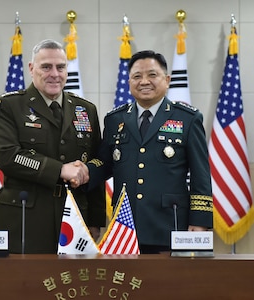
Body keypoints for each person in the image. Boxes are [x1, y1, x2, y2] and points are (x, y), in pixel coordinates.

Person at [84, 50, 213, 254]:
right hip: (126, 227)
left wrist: (200, 220)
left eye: (152, 75)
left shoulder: (188, 118)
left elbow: (200, 173)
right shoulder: (115, 119)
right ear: (129, 82)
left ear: (167, 80)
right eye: (137, 76)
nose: (144, 81)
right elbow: (105, 163)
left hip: (171, 226)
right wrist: (82, 171)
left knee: (169, 284)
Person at [0, 39, 106, 254]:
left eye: (60, 67)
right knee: (22, 284)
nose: (54, 74)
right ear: (32, 69)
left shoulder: (85, 109)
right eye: (46, 67)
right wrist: (60, 170)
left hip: (75, 219)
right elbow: (7, 155)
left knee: (70, 284)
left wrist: (95, 220)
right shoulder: (8, 106)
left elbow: (94, 165)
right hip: (24, 217)